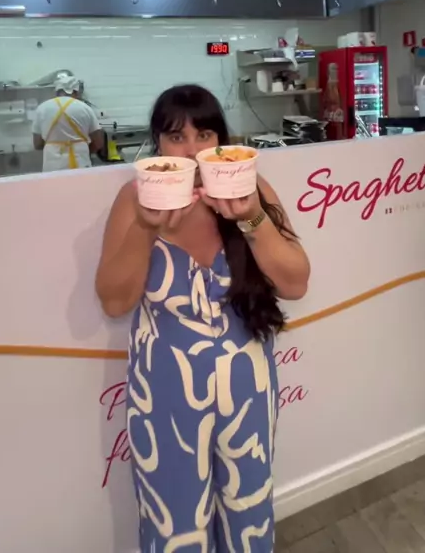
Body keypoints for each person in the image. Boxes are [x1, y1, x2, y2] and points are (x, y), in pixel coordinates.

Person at [95, 85, 310, 553]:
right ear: (157, 144)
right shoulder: (135, 201)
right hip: (163, 390)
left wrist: (251, 218)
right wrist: (147, 229)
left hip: (247, 384)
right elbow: (114, 301)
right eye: (176, 137)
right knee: (173, 522)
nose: (191, 150)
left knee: (249, 507)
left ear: (221, 141)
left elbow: (295, 283)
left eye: (204, 135)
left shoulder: (252, 190)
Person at [32, 75, 103, 172]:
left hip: (52, 164)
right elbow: (98, 142)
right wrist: (83, 150)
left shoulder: (42, 108)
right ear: (75, 91)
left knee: (54, 182)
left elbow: (37, 144)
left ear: (57, 91)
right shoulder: (85, 108)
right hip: (80, 162)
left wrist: (55, 146)